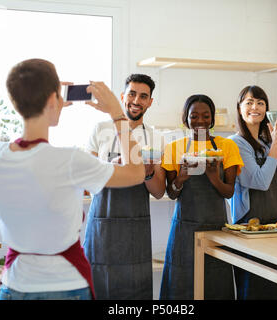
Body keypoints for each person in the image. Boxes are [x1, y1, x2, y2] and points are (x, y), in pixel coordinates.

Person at [0, 58, 145, 300]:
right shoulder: (71, 161)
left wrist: (44, 98)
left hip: (14, 285)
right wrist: (116, 112)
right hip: (65, 286)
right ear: (53, 99)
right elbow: (136, 172)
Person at [84, 74, 166, 299]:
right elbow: (87, 181)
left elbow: (159, 192)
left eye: (143, 96)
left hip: (134, 231)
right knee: (97, 288)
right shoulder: (100, 130)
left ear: (150, 101)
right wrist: (110, 168)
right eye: (131, 94)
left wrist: (147, 172)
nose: (136, 100)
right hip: (102, 227)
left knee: (134, 293)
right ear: (122, 96)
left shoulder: (156, 138)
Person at [159, 94, 244, 300]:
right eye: (194, 116)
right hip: (183, 230)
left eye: (206, 116)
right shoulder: (174, 148)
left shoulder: (227, 146)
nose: (200, 121)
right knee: (182, 286)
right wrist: (180, 178)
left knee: (216, 284)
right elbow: (171, 193)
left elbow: (229, 192)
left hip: (216, 228)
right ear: (185, 119)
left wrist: (214, 178)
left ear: (212, 119)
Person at [227, 85, 277, 300]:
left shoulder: (270, 141)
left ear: (267, 109)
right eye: (248, 102)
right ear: (239, 109)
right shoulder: (235, 143)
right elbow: (259, 181)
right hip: (250, 225)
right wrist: (276, 144)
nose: (254, 107)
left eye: (260, 102)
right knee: (256, 287)